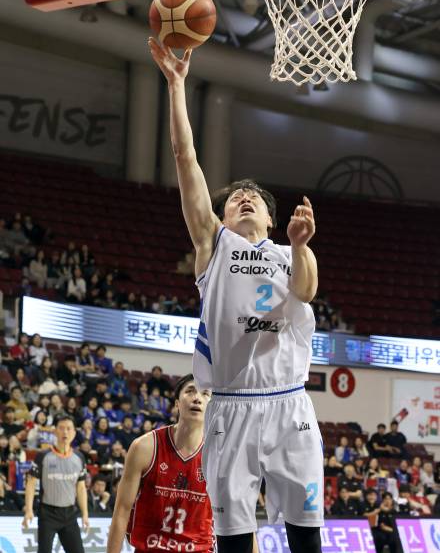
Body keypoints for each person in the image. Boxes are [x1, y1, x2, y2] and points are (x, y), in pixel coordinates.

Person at [149, 37, 322, 553]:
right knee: (234, 541)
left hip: (290, 404)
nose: (243, 199)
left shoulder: (292, 250)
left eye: (254, 199)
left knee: (306, 536)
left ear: (270, 218)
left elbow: (307, 293)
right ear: (223, 219)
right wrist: (177, 85)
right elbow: (185, 156)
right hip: (231, 408)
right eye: (234, 200)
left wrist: (299, 244)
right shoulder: (214, 245)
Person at [106, 374, 214, 553]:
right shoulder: (144, 447)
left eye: (205, 394)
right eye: (190, 391)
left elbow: (239, 517)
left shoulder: (218, 453)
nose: (197, 398)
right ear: (177, 404)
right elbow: (122, 511)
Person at [22, 414, 89, 553]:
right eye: (61, 428)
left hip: (70, 515)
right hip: (48, 514)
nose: (65, 432)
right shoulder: (43, 456)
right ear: (54, 431)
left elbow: (81, 487)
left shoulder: (79, 458)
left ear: (74, 433)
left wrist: (85, 514)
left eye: (69, 429)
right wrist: (28, 509)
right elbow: (31, 482)